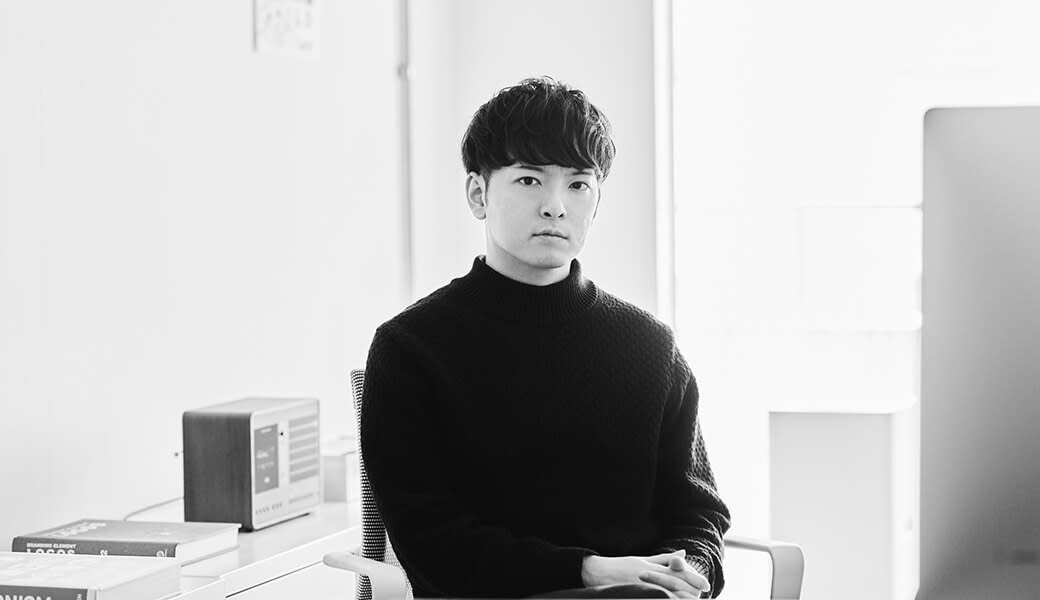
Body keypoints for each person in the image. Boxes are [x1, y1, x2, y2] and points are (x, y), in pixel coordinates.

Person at [360, 77, 731, 599]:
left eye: (578, 184)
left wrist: (681, 571)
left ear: (596, 202)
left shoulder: (651, 348)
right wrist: (589, 571)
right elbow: (431, 544)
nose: (555, 206)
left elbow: (699, 511)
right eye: (530, 180)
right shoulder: (411, 349)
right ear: (478, 194)